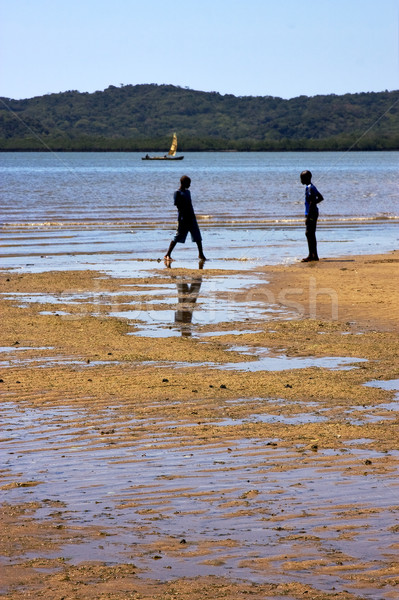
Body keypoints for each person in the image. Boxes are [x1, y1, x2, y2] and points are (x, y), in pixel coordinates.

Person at [164, 175, 206, 262]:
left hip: (192, 217)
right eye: (188, 183)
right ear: (183, 183)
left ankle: (201, 254)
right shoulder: (177, 193)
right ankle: (167, 254)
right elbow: (177, 205)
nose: (189, 185)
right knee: (178, 236)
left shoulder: (188, 192)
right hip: (183, 219)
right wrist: (183, 215)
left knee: (197, 236)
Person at [300, 170, 323, 262]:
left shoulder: (309, 188)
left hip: (311, 213)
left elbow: (312, 201)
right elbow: (320, 198)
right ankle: (314, 255)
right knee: (311, 234)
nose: (301, 180)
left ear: (307, 178)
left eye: (302, 178)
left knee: (309, 233)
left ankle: (311, 255)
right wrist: (313, 204)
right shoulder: (312, 187)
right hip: (313, 212)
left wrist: (309, 216)